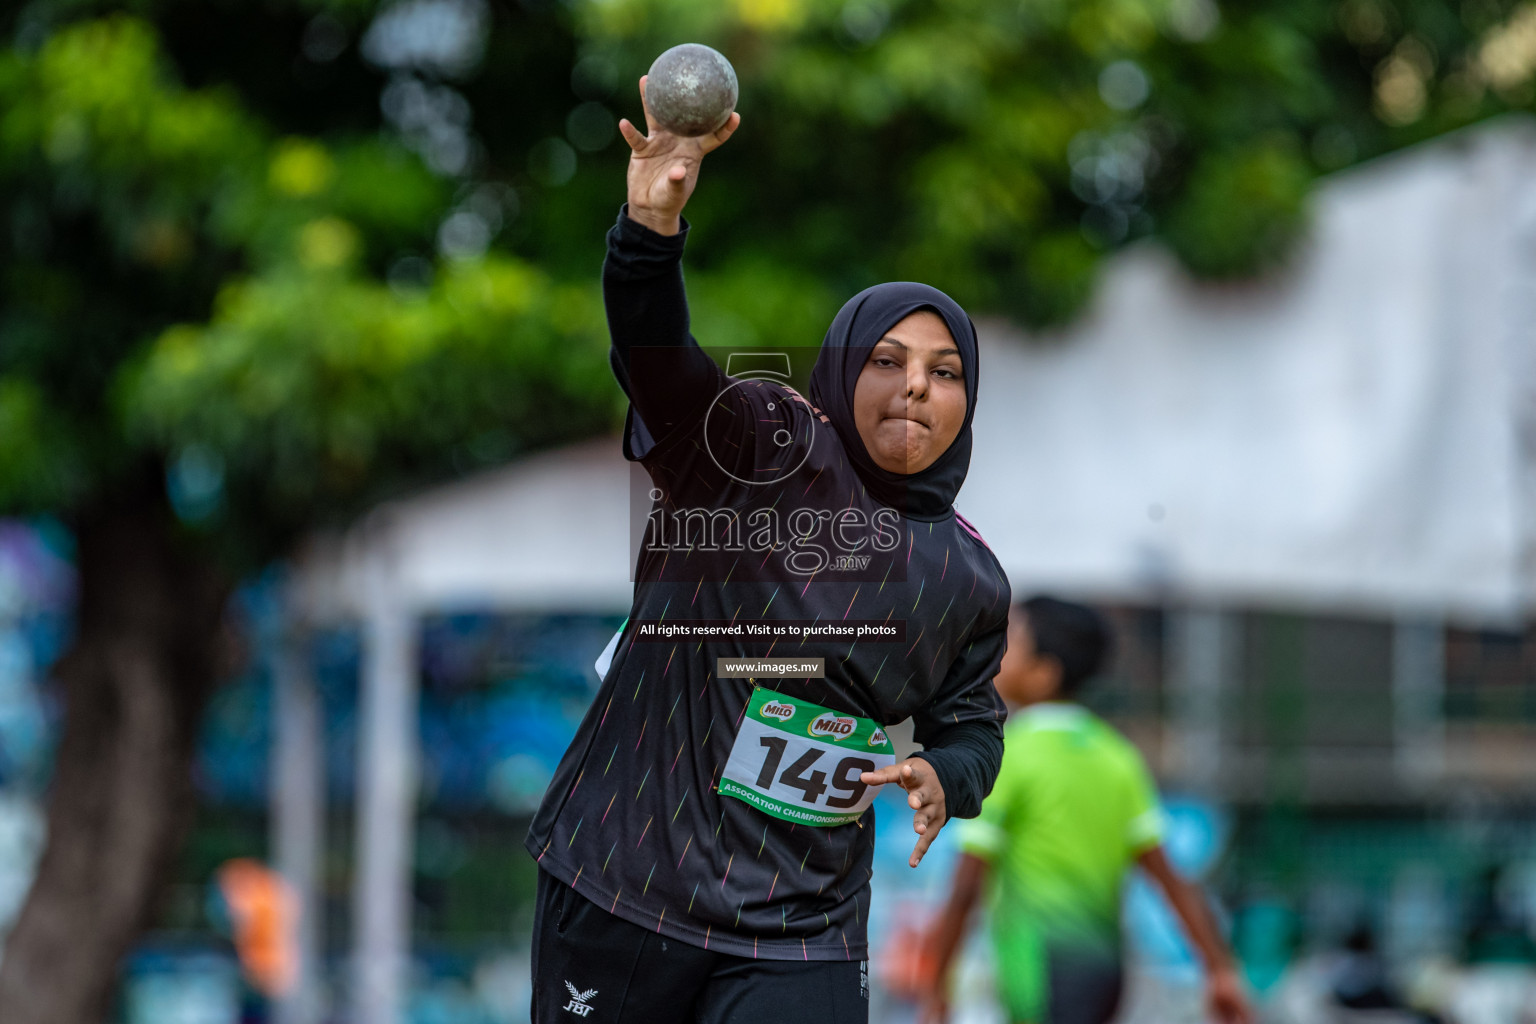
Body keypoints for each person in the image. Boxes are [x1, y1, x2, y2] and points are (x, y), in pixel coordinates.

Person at [523, 75, 1013, 1023]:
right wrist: (646, 236)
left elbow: (973, 723)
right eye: (888, 360)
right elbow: (659, 364)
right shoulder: (758, 447)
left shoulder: (966, 575)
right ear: (841, 365)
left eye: (944, 372)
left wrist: (943, 774)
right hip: (628, 876)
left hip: (801, 923)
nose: (917, 388)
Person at [918, 597, 1255, 1024]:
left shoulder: (1007, 758)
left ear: (1044, 675)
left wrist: (936, 985)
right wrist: (1221, 970)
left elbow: (968, 883)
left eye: (1011, 641)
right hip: (1108, 977)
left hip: (1039, 974)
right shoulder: (1117, 758)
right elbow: (1171, 879)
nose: (994, 654)